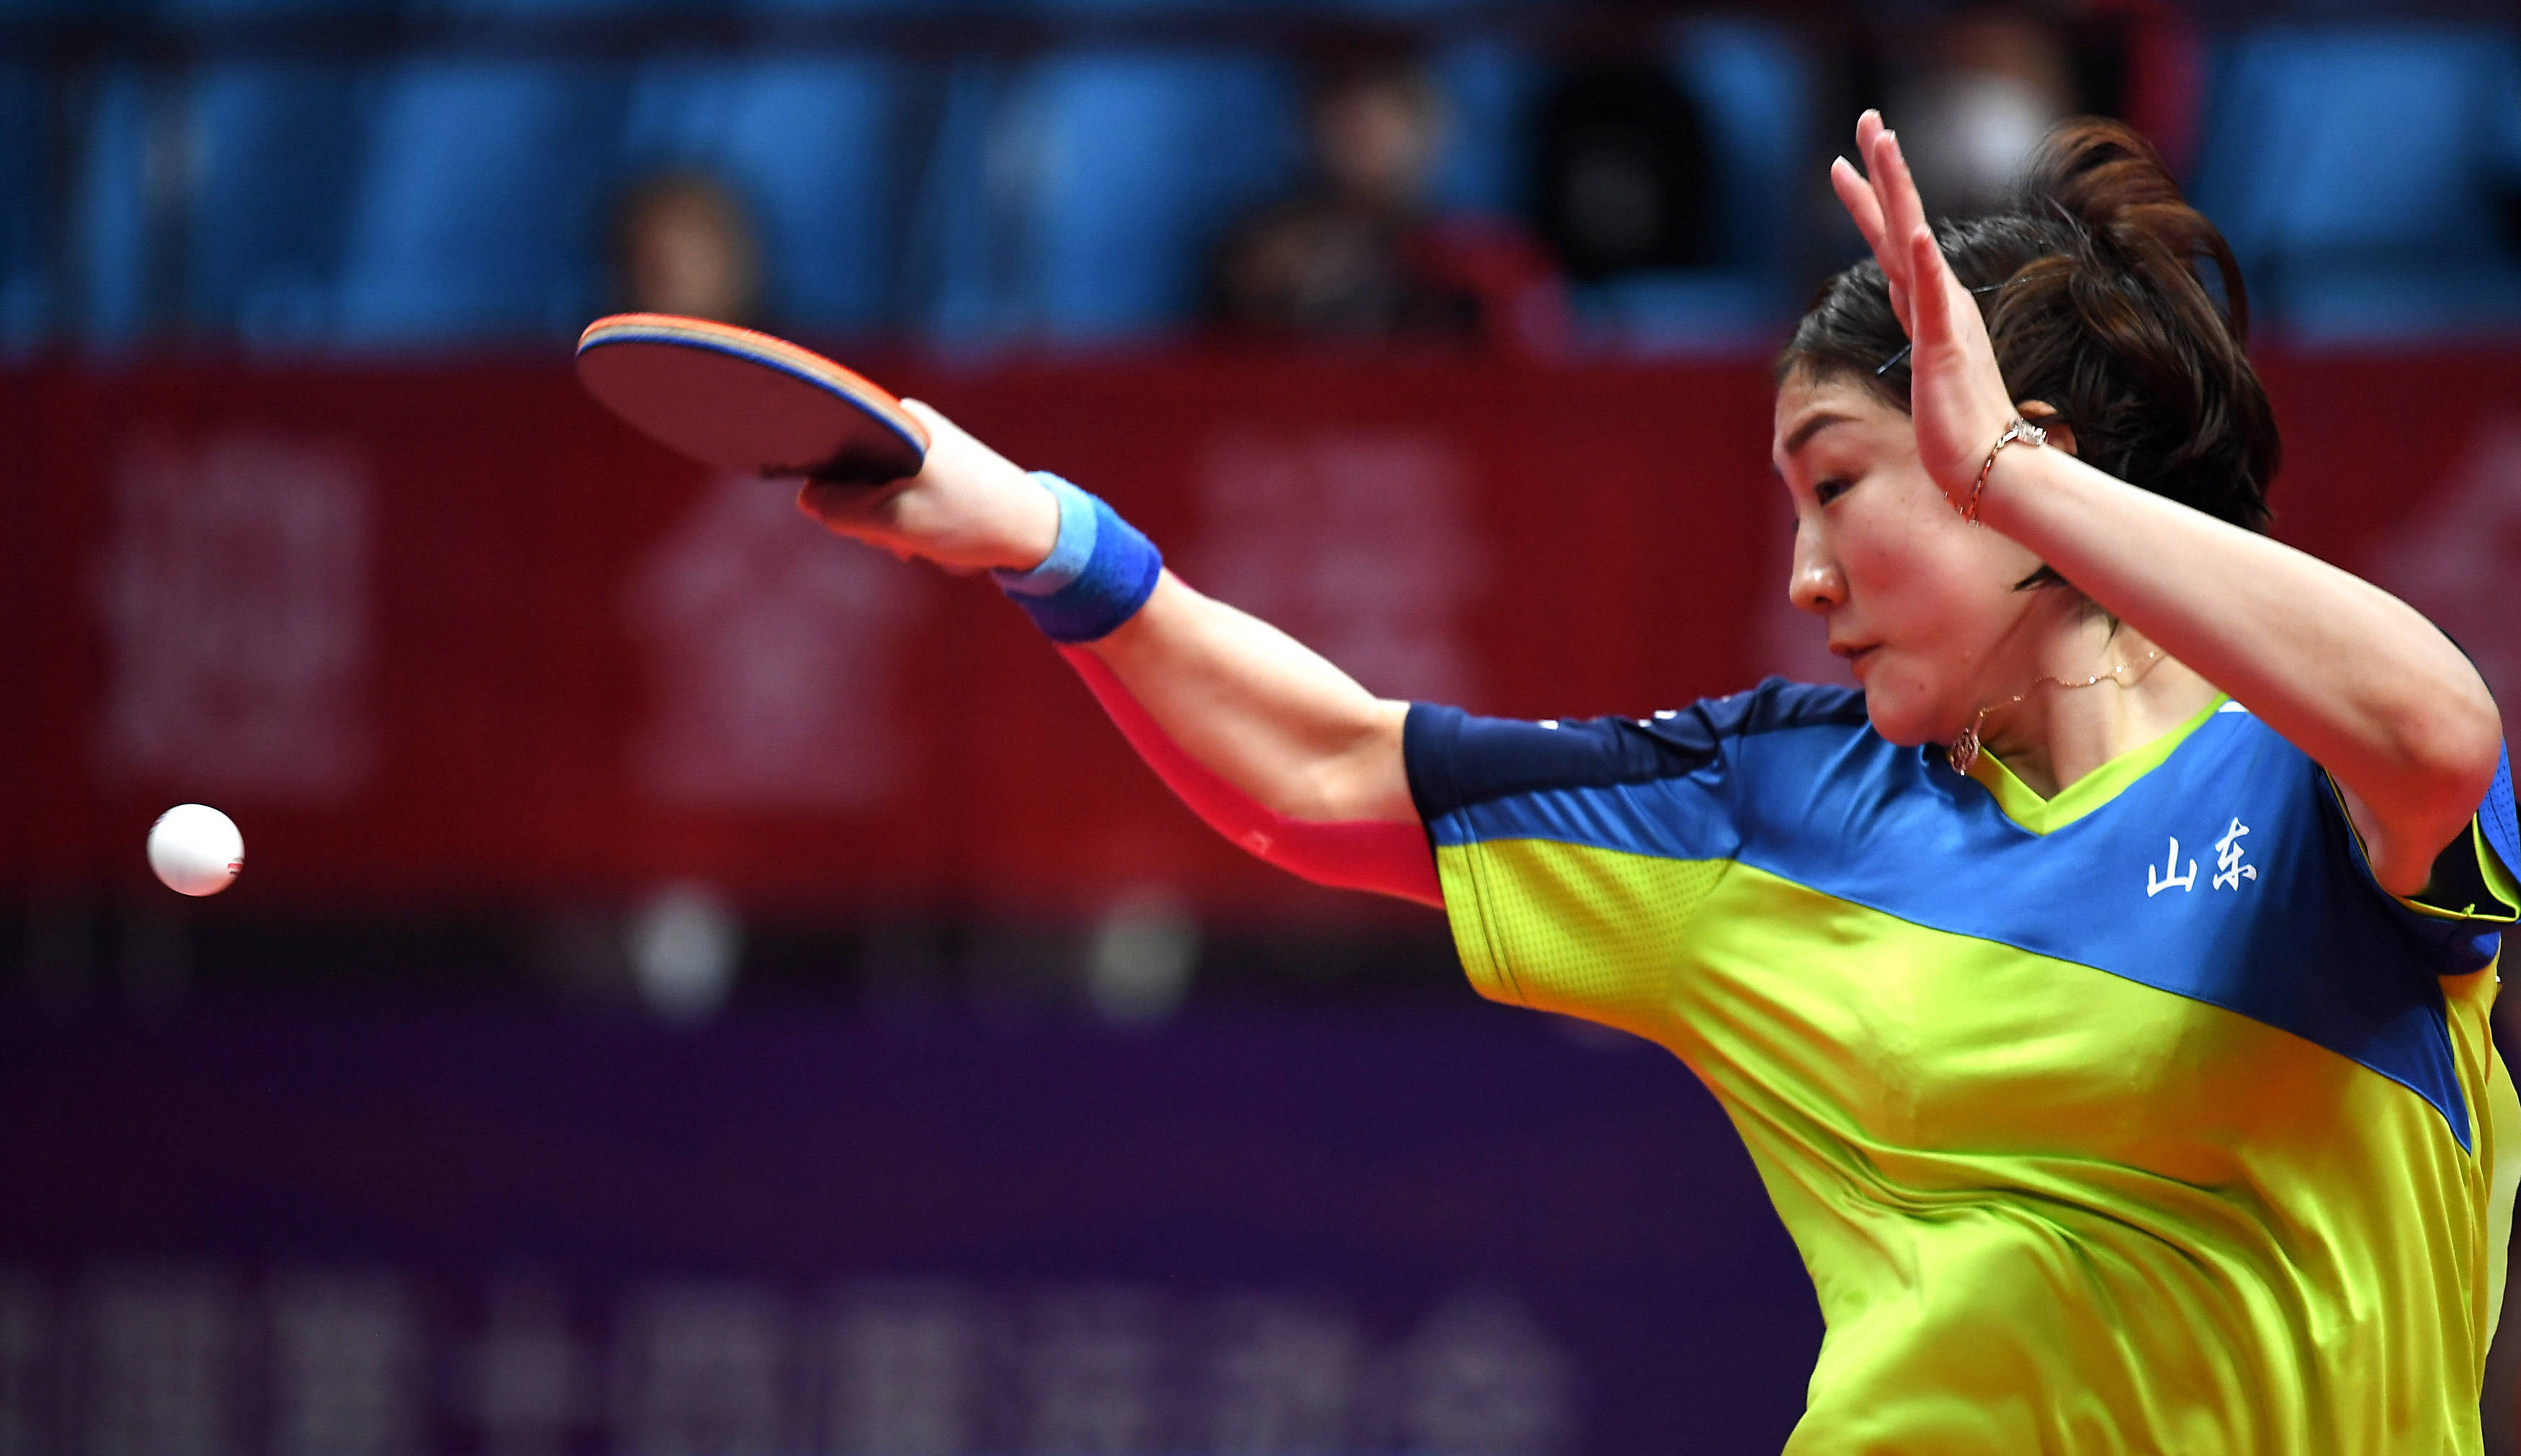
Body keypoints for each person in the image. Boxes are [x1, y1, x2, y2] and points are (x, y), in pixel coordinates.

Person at [795, 113, 2520, 1450]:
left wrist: (2002, 470)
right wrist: (1047, 542)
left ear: (2018, 459)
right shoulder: (1778, 802)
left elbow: (2441, 733)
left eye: (1838, 485)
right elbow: (1322, 770)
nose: (1806, 576)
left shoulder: (2306, 779)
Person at [1209, 57, 1565, 354]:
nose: (1365, 146)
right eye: (1346, 126)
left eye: (1386, 123)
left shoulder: (1490, 255)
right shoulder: (1265, 252)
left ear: (1434, 131)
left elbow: (1531, 372)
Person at [612, 171, 764, 326]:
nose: (672, 268)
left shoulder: (772, 339)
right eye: (654, 254)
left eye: (691, 253)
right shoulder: (605, 337)